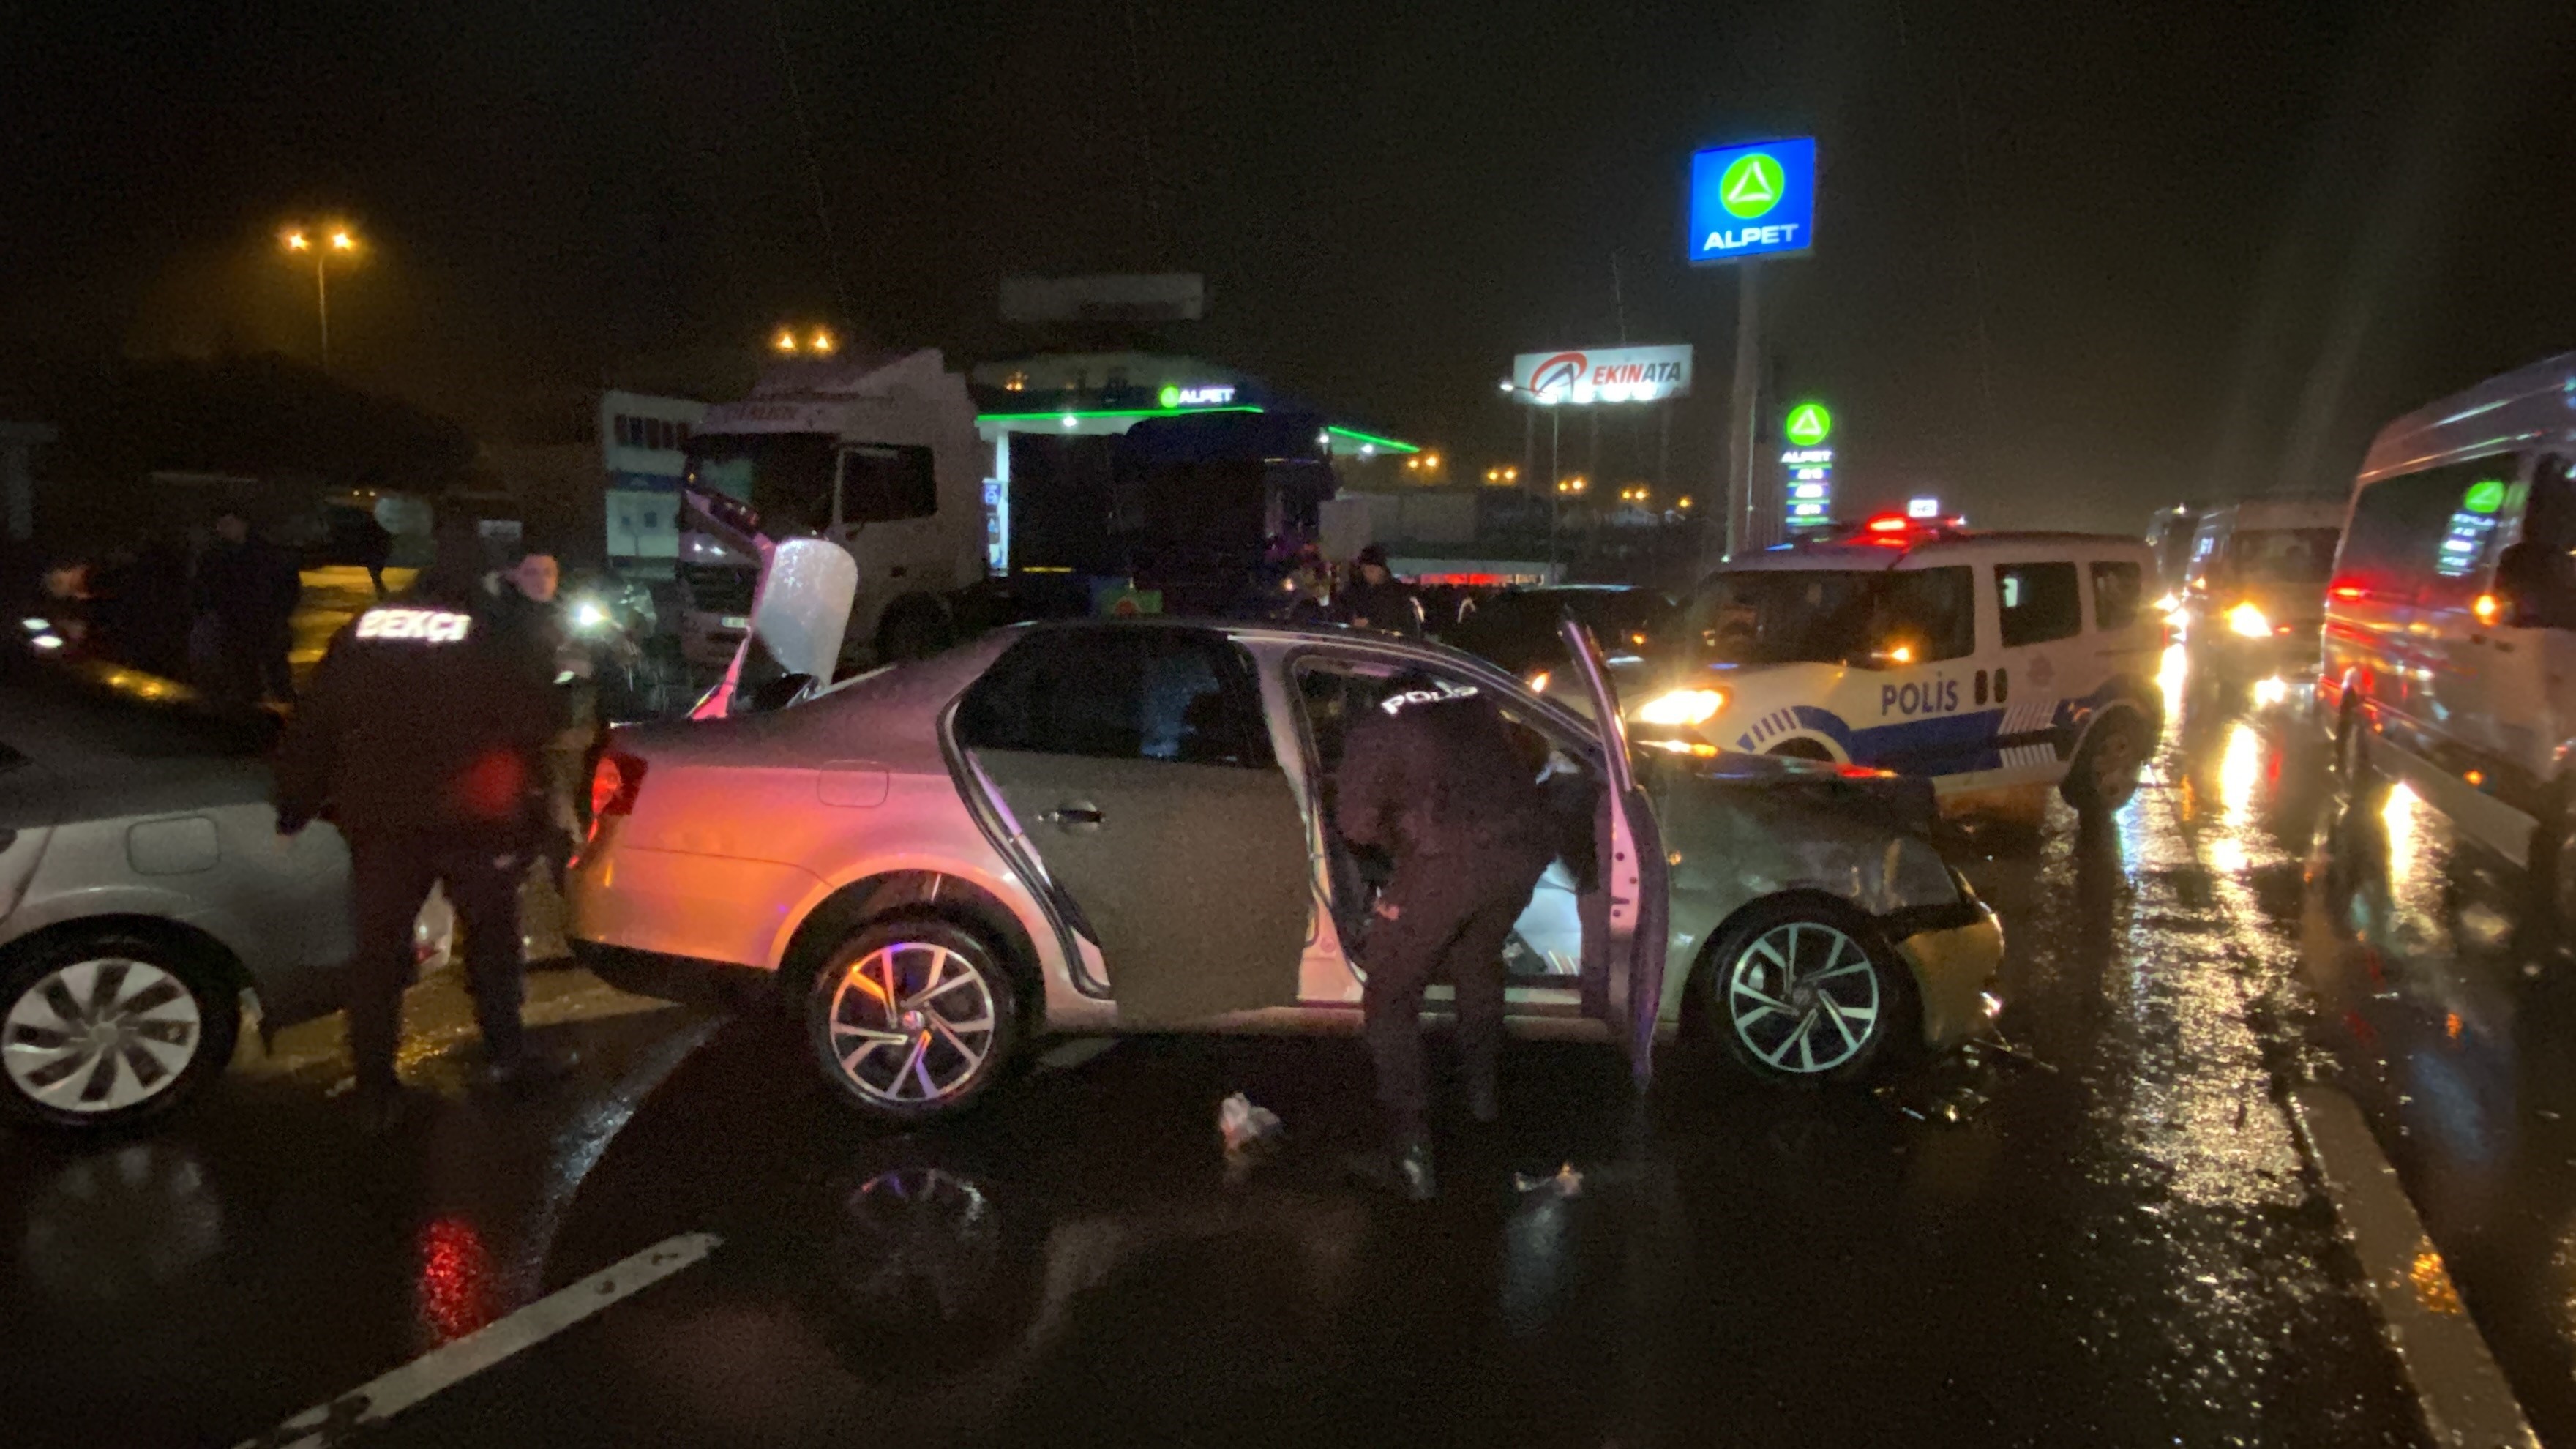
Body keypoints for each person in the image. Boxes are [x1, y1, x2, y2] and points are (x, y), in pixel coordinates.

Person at [273, 524, 574, 1131]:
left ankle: (375, 1085)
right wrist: (540, 814)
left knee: (378, 954)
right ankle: (506, 1056)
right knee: (491, 942)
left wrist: (294, 806)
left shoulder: (365, 629)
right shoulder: (489, 632)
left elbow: (314, 722)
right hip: (475, 823)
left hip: (380, 820)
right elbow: (534, 722)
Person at [1335, 669, 1554, 1199]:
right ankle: (1483, 1105)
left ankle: (1410, 1153)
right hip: (1524, 851)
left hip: (1448, 863)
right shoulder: (1474, 704)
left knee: (1390, 992)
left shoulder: (1376, 725)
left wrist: (1400, 841)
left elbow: (1355, 824)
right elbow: (1529, 758)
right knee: (1476, 959)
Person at [192, 508, 302, 705]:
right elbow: (205, 589)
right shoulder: (216, 557)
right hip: (235, 626)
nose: (222, 530)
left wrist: (279, 614)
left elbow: (288, 586)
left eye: (228, 524)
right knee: (246, 677)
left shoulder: (266, 554)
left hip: (265, 623)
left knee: (276, 674)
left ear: (242, 524)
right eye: (220, 525)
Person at [1335, 545, 1423, 637]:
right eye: (1364, 571)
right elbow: (1339, 610)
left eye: (1371, 571)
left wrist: (1373, 625)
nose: (1367, 575)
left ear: (1382, 570)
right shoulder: (1355, 589)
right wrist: (1351, 620)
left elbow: (1406, 625)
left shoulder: (1398, 593)